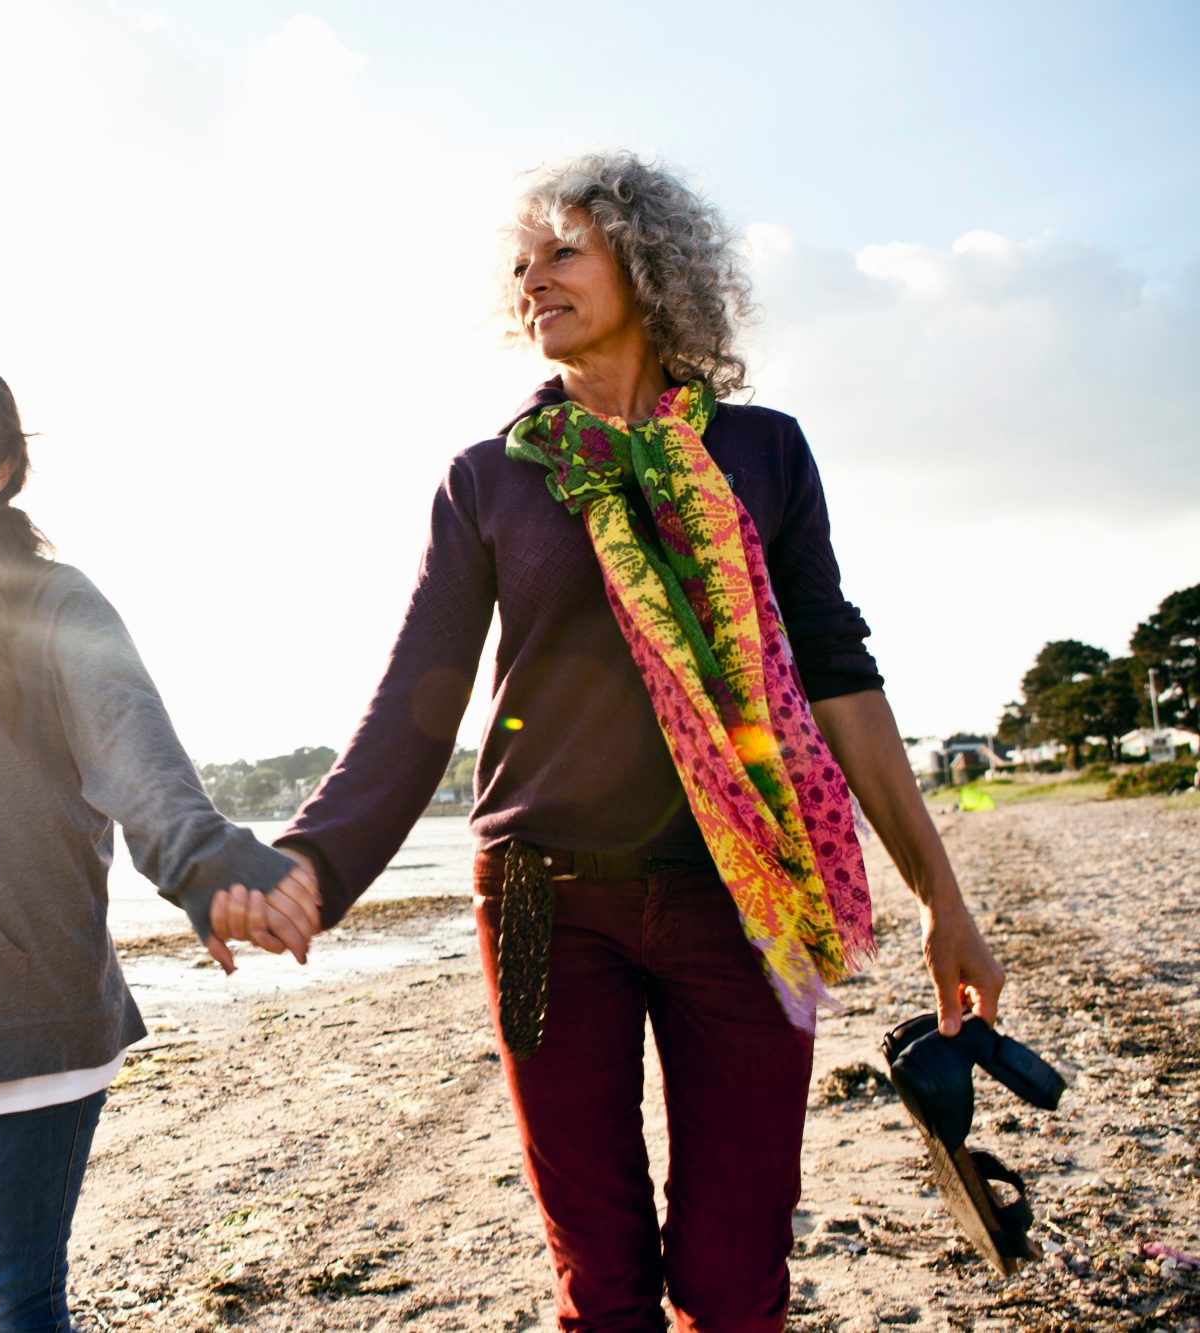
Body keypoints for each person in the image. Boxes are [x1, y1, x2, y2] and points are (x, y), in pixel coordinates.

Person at [208, 154, 1006, 1332]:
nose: (531, 280)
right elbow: (415, 701)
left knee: (737, 1280)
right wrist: (309, 866)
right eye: (517, 265)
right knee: (600, 1277)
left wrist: (941, 898)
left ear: (646, 262)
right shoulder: (488, 479)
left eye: (561, 251)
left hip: (742, 901)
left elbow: (837, 674)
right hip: (537, 904)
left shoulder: (762, 453)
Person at [0, 355, 320, 1332]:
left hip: (30, 1007)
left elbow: (137, 759)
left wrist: (208, 867)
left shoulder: (54, 602)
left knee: (14, 1293)